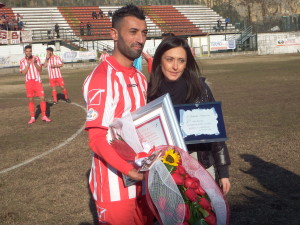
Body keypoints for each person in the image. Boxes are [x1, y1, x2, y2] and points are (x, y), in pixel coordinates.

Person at [82, 4, 153, 225]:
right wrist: (129, 171)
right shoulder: (102, 78)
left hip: (143, 179)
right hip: (115, 186)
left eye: (143, 32)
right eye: (132, 32)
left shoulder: (140, 78)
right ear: (114, 34)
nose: (140, 39)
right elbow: (96, 139)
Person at [147, 37, 231, 195]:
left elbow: (216, 135)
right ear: (160, 61)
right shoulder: (150, 93)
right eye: (169, 59)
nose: (175, 66)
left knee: (205, 214)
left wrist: (223, 172)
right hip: (165, 166)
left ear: (187, 63)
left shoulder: (201, 89)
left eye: (181, 60)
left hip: (200, 163)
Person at [20, 45, 51, 124]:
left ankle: (44, 116)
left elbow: (40, 69)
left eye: (30, 51)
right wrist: (28, 64)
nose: (28, 52)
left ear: (31, 51)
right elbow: (23, 72)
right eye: (27, 51)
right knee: (30, 99)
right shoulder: (22, 61)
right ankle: (33, 117)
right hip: (29, 82)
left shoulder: (36, 58)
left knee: (42, 98)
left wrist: (34, 63)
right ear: (24, 52)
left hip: (37, 82)